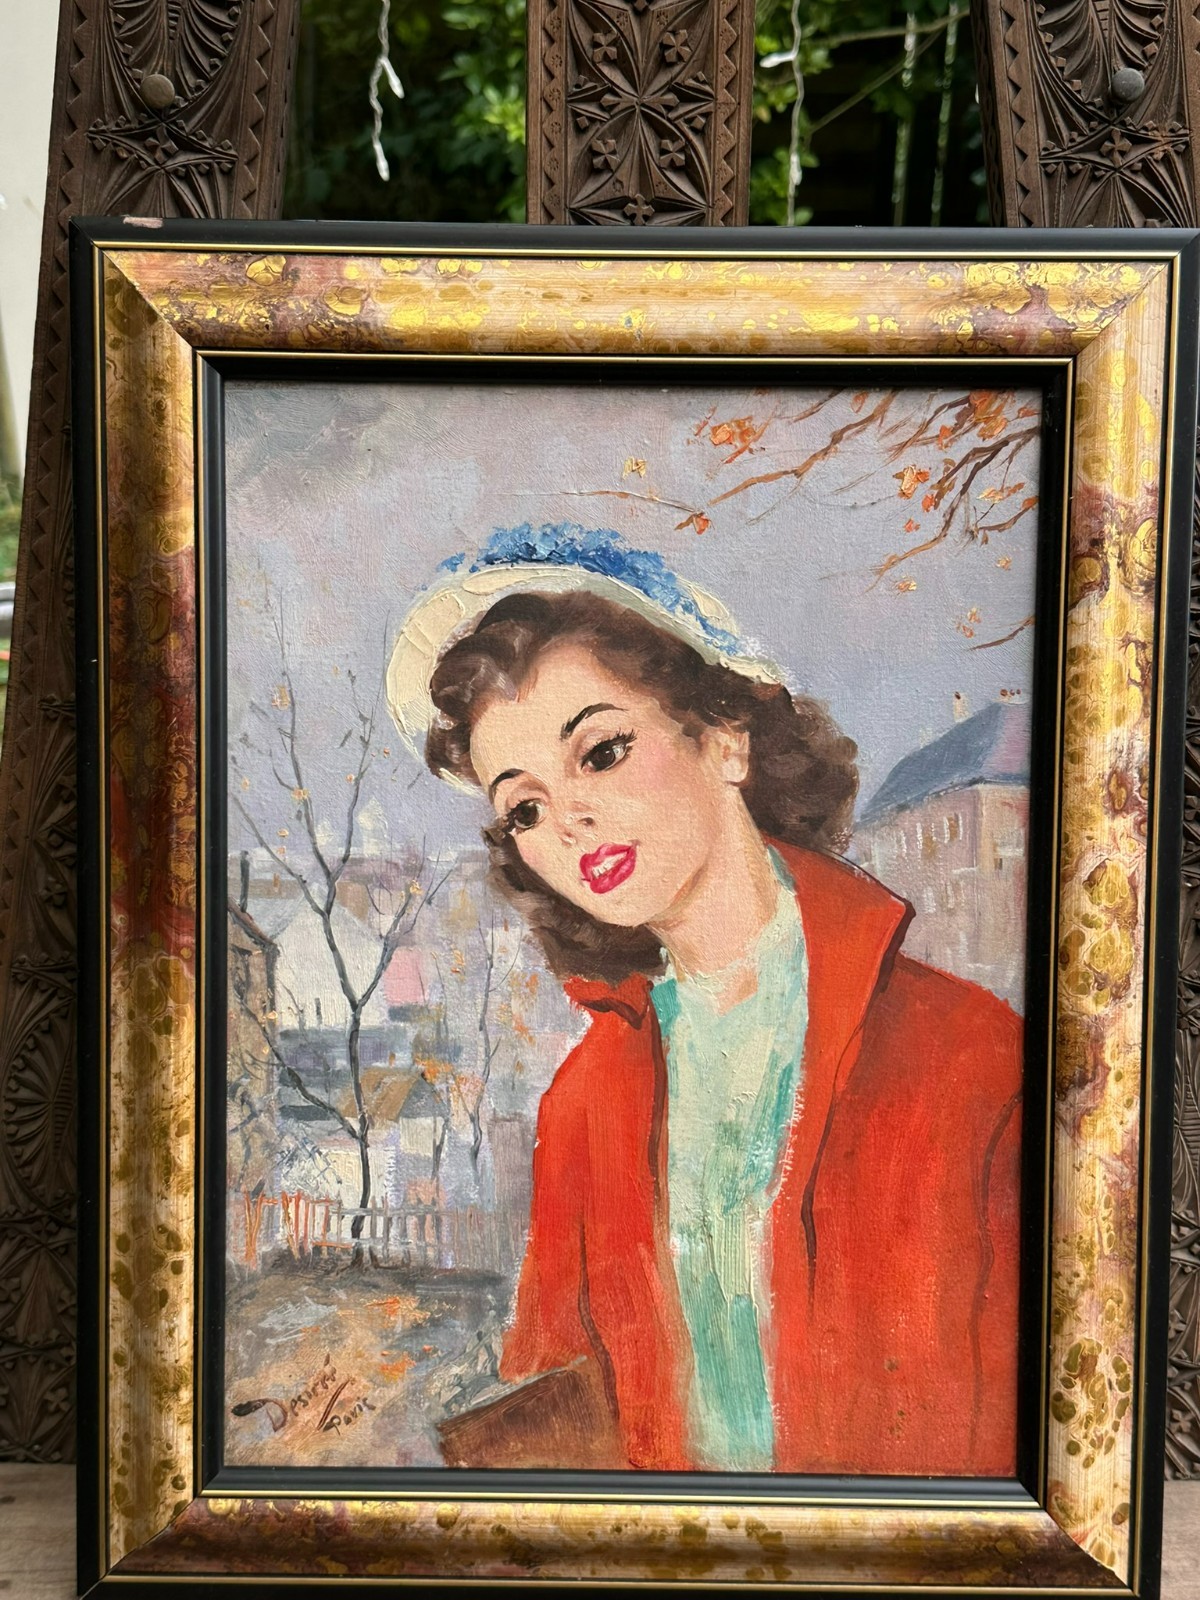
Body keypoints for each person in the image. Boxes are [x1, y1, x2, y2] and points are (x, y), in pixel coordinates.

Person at [387, 523, 1022, 1477]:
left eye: (601, 751)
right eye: (524, 807)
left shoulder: (972, 1054)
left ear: (725, 737)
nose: (568, 821)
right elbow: (569, 1423)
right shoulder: (583, 1104)